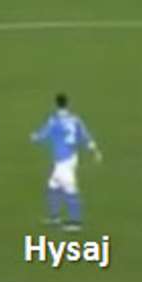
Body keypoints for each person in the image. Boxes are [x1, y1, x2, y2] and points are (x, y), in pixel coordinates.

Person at [31, 93, 101, 231]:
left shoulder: (54, 121)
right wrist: (95, 151)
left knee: (70, 190)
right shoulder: (75, 120)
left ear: (56, 104)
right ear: (68, 104)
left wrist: (34, 137)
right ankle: (54, 218)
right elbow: (85, 136)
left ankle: (76, 223)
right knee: (53, 186)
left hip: (62, 160)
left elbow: (42, 136)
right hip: (72, 157)